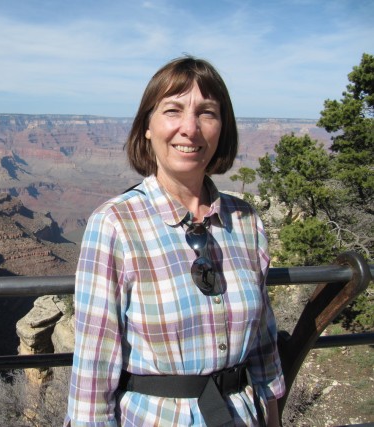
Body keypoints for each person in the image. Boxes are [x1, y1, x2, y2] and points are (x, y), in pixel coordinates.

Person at [65, 56, 285, 426]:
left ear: (222, 129)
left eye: (207, 113)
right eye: (173, 110)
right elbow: (94, 369)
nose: (190, 128)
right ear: (147, 127)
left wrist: (274, 417)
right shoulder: (116, 224)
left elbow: (263, 347)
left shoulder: (245, 222)